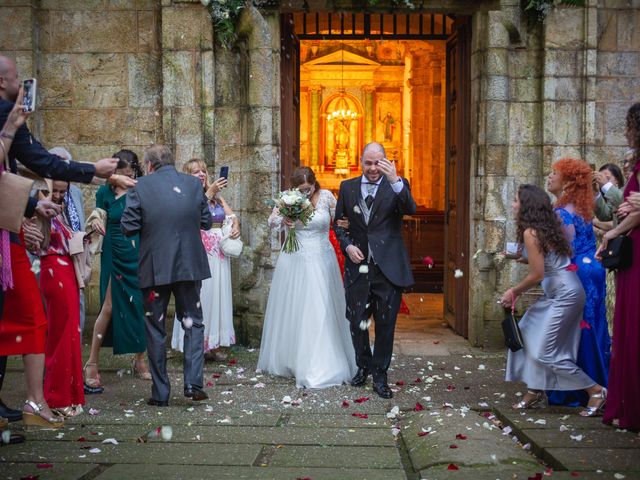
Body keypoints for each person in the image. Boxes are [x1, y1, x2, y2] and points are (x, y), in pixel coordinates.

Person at [0, 55, 123, 427]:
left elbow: (36, 161)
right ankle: (38, 400)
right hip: (19, 241)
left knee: (27, 318)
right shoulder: (9, 118)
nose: (22, 83)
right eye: (16, 77)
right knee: (32, 318)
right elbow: (39, 163)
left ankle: (35, 401)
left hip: (10, 234)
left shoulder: (14, 120)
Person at [502, 184, 607, 417]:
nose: (513, 204)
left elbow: (537, 274)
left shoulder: (531, 232)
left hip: (564, 295)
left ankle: (596, 391)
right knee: (527, 329)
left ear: (527, 205)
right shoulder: (544, 227)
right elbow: (545, 262)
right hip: (563, 292)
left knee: (546, 353)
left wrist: (514, 291)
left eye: (516, 200)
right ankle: (535, 390)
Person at [121, 145, 212, 406]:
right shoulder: (194, 186)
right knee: (193, 323)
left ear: (149, 165)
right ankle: (193, 383)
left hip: (155, 267)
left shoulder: (140, 187)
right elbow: (205, 221)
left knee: (155, 328)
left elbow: (128, 226)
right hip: (188, 265)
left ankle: (161, 393)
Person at [257, 167, 356, 388]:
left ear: (314, 183)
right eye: (301, 190)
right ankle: (294, 358)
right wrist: (283, 220)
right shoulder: (287, 198)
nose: (305, 194)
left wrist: (347, 225)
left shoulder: (327, 197)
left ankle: (323, 360)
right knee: (298, 307)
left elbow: (340, 220)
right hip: (295, 259)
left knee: (321, 306)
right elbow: (271, 221)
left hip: (322, 257)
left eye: (308, 189)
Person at [333, 142, 417, 399]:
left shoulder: (397, 185)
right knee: (356, 321)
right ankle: (363, 365)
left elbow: (410, 209)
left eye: (377, 163)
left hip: (387, 269)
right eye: (368, 163)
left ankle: (380, 375)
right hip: (357, 268)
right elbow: (339, 225)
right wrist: (347, 247)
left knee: (385, 325)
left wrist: (395, 180)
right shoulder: (347, 187)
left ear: (386, 161)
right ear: (361, 162)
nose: (372, 169)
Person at [83, 150, 150, 394]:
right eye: (125, 168)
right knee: (109, 307)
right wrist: (96, 221)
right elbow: (97, 215)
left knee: (141, 304)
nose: (129, 171)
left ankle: (140, 358)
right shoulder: (104, 191)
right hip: (114, 250)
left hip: (137, 250)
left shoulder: (140, 188)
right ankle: (91, 363)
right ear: (116, 169)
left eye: (133, 167)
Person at [546, 158, 610, 407]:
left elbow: (565, 250)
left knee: (574, 331)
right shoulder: (581, 208)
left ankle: (585, 390)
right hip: (592, 269)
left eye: (554, 173)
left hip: (576, 274)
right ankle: (595, 383)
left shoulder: (561, 212)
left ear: (569, 181)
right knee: (591, 326)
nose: (549, 177)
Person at [597, 103, 640, 431]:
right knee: (625, 322)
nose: (626, 132)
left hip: (636, 246)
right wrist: (612, 232)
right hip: (631, 245)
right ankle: (626, 400)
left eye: (629, 126)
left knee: (632, 322)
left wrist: (611, 231)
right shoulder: (637, 164)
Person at [171, 159, 239, 360]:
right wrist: (208, 192)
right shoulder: (184, 196)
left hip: (218, 254)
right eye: (195, 172)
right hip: (197, 252)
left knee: (218, 296)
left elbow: (233, 217)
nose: (201, 174)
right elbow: (188, 216)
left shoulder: (216, 199)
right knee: (201, 297)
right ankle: (194, 344)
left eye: (203, 170)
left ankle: (214, 343)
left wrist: (235, 227)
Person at [38, 181, 84, 417]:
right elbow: (40, 243)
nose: (56, 196)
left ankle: (71, 394)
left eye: (61, 192)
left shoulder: (65, 208)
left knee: (71, 334)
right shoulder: (38, 208)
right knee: (60, 335)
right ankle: (56, 398)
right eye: (52, 191)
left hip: (67, 270)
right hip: (53, 268)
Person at [48, 147, 87, 336]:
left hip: (75, 259)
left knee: (77, 309)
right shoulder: (38, 193)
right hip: (49, 261)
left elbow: (79, 222)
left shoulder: (76, 192)